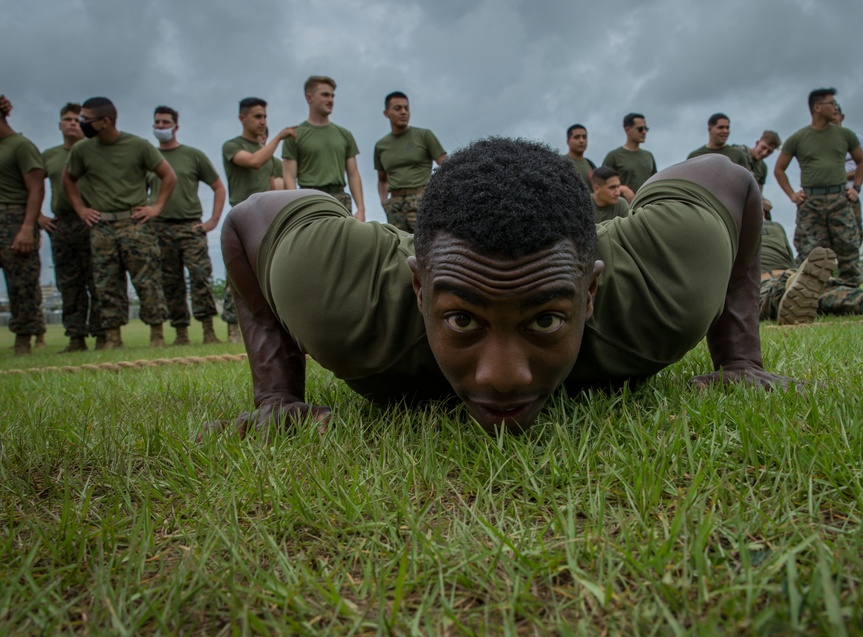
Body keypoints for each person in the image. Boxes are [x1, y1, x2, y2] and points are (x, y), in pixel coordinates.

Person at [213, 137, 792, 436]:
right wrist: (277, 393)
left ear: (590, 296)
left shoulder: (659, 294)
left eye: (545, 320)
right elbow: (246, 220)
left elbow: (730, 180)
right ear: (418, 290)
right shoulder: (346, 301)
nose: (503, 377)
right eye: (463, 319)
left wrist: (738, 356)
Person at [62, 97, 175, 349]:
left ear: (105, 121)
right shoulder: (82, 150)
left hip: (135, 223)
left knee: (147, 280)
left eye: (86, 119)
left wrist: (156, 207)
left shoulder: (138, 146)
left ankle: (157, 336)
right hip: (101, 226)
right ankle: (113, 338)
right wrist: (80, 209)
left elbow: (168, 175)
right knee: (106, 283)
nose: (82, 123)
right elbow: (68, 179)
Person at [773, 87, 863, 287]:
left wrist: (856, 188)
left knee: (848, 248)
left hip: (839, 199)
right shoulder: (798, 138)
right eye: (831, 103)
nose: (835, 108)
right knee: (809, 253)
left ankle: (852, 292)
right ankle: (810, 294)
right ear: (817, 107)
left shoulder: (845, 135)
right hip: (811, 203)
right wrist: (792, 195)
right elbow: (779, 169)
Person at [221, 98, 295, 343]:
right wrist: (280, 138)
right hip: (240, 221)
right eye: (257, 116)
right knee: (237, 275)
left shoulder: (272, 161)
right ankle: (234, 330)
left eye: (265, 116)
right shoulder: (232, 146)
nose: (263, 122)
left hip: (265, 222)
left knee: (270, 274)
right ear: (242, 118)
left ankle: (277, 325)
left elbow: (279, 187)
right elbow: (254, 161)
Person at [149, 105, 226, 345]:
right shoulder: (149, 157)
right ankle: (180, 332)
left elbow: (218, 186)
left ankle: (208, 331)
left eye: (165, 122)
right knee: (170, 283)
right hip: (159, 228)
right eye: (157, 123)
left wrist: (213, 221)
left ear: (176, 126)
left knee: (200, 277)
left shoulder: (193, 155)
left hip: (191, 227)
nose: (160, 127)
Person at [39, 102, 103, 352]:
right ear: (59, 125)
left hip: (94, 221)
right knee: (68, 283)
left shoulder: (95, 151)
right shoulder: (50, 156)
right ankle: (75, 337)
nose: (73, 123)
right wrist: (39, 218)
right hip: (62, 224)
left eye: (78, 119)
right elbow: (31, 185)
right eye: (67, 119)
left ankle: (102, 335)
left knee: (98, 281)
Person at [0, 95, 46, 356]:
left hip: (14, 218)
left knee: (22, 283)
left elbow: (36, 188)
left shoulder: (21, 146)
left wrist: (28, 227)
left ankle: (24, 340)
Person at [282, 75, 365, 220]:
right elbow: (289, 177)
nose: (330, 100)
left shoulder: (344, 135)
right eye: (325, 95)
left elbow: (353, 174)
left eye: (332, 96)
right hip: (308, 199)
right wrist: (295, 208)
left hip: (340, 199)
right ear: (309, 98)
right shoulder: (295, 135)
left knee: (343, 242)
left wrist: (361, 209)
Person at [374, 91, 447, 233]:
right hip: (394, 206)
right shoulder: (381, 146)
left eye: (406, 108)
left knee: (425, 246)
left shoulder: (424, 136)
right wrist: (385, 203)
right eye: (398, 108)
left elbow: (446, 165)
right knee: (399, 249)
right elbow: (382, 180)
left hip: (421, 201)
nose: (403, 112)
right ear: (386, 113)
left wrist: (438, 195)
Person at [832, 104, 863, 236]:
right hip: (826, 196)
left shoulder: (855, 139)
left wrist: (844, 177)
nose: (833, 117)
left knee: (853, 236)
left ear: (842, 117)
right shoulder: (818, 142)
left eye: (836, 113)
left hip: (849, 194)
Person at [602, 113, 657, 203]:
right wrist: (621, 188)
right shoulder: (613, 156)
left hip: (647, 206)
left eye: (646, 129)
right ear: (627, 130)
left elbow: (655, 182)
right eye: (640, 129)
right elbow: (602, 183)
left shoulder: (648, 156)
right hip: (624, 209)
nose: (644, 132)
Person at [736, 130, 782, 219]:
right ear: (757, 143)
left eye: (769, 151)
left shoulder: (763, 168)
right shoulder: (739, 153)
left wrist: (764, 202)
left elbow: (759, 192)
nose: (764, 153)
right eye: (763, 148)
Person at [686, 113, 752, 170]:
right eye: (721, 127)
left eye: (727, 128)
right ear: (710, 129)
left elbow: (745, 181)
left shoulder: (737, 155)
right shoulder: (695, 156)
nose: (725, 131)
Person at [565, 124, 594, 189]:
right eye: (577, 137)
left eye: (584, 137)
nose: (581, 141)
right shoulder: (561, 163)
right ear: (568, 141)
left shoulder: (591, 165)